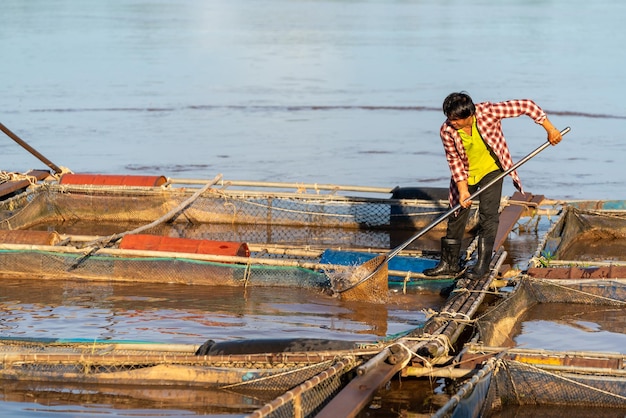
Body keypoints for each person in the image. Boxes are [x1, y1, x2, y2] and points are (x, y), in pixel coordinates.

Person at [423, 92, 563, 280]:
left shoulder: (488, 112)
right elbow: (454, 160)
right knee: (456, 213)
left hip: (493, 169)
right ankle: (449, 264)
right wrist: (463, 190)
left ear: (469, 115)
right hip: (466, 174)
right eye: (449, 117)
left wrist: (550, 129)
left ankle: (482, 265)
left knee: (488, 215)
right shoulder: (446, 130)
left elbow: (527, 105)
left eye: (455, 119)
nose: (451, 122)